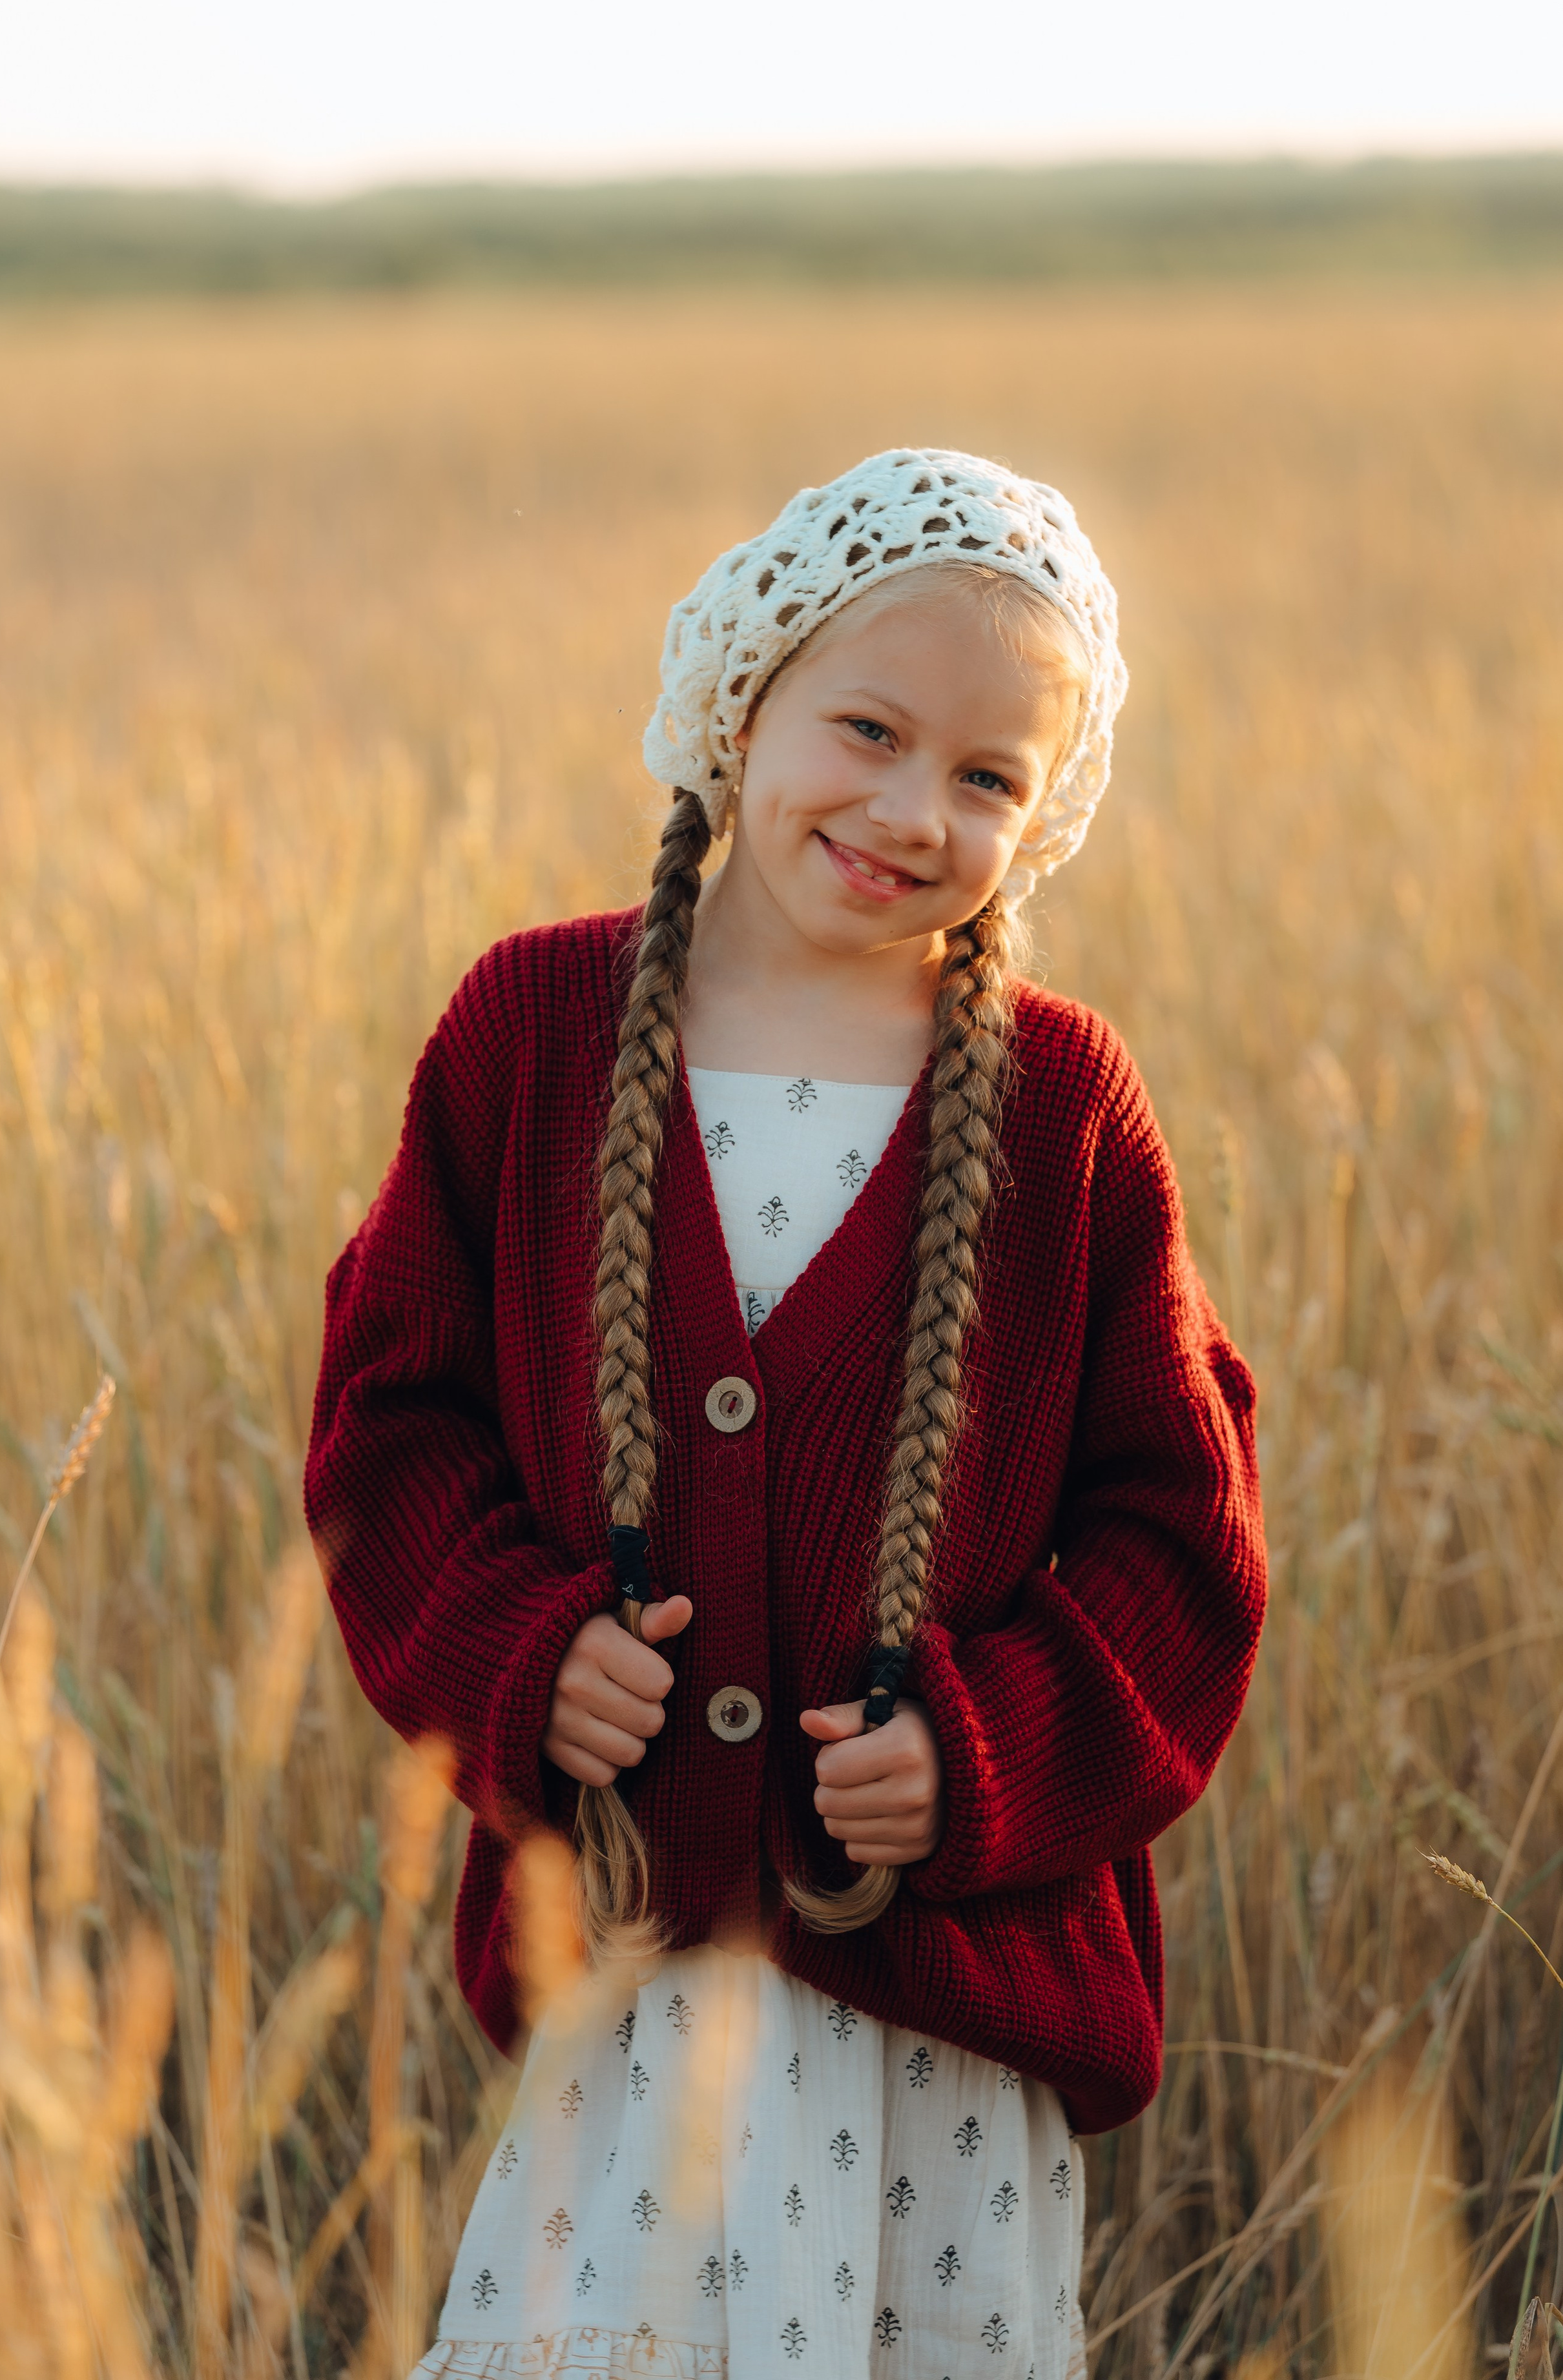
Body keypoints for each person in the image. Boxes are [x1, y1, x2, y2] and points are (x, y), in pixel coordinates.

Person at [305, 447, 1268, 2380]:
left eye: (989, 776)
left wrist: (982, 1750)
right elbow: (392, 1424)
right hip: (636, 2006)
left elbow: (1186, 1538)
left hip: (942, 2041)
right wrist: (519, 1651)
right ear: (744, 700)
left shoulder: (1063, 1112)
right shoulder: (536, 1036)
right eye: (872, 728)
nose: (915, 809)